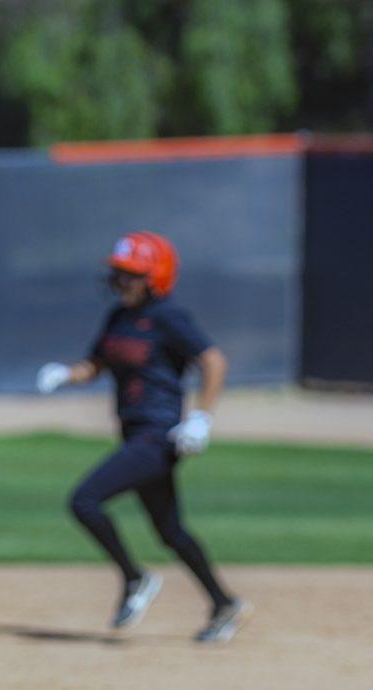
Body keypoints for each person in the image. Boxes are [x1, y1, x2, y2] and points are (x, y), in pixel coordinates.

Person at [36, 231, 250, 644]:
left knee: (84, 500)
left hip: (158, 436)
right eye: (118, 275)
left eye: (130, 275)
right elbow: (96, 363)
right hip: (134, 432)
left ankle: (135, 578)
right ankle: (225, 604)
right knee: (170, 531)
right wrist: (66, 373)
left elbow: (213, 360)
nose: (121, 283)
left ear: (155, 278)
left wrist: (201, 418)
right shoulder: (119, 317)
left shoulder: (169, 318)